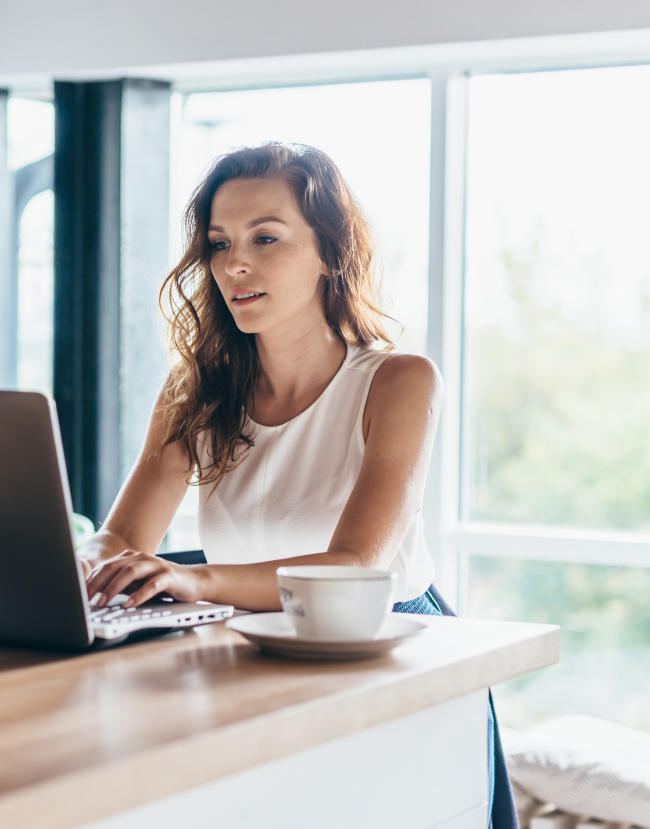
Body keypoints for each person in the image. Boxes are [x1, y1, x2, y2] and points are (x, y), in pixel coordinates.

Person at [78, 141, 516, 828]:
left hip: (394, 654)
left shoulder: (399, 380)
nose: (235, 264)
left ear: (329, 251)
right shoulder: (193, 389)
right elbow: (121, 537)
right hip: (254, 653)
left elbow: (355, 567)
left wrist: (197, 580)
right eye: (219, 243)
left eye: (266, 238)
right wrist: (72, 563)